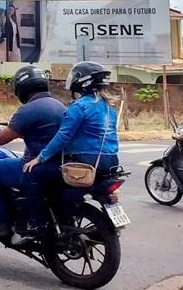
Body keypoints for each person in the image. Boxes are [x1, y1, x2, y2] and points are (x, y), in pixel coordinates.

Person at [0, 65, 66, 238]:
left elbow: (0, 139)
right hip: (60, 165)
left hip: (36, 166)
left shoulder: (29, 110)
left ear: (22, 87)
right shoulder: (60, 106)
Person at [23, 61, 120, 231]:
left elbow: (63, 136)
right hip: (111, 162)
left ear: (81, 81)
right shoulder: (108, 108)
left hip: (86, 161)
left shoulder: (80, 106)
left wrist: (40, 157)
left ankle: (35, 223)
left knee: (34, 173)